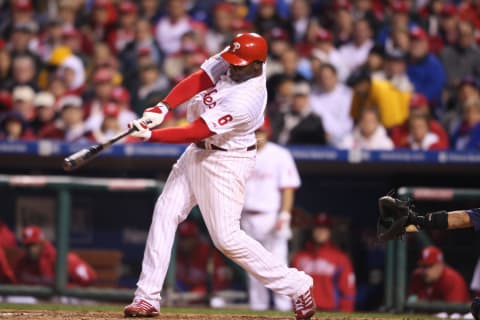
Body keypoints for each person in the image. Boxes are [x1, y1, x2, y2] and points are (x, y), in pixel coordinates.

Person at [123, 33, 315, 320]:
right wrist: (163, 107)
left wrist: (152, 135)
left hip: (226, 161)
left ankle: (297, 285)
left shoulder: (248, 99)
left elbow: (197, 130)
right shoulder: (236, 56)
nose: (233, 67)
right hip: (195, 154)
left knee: (226, 239)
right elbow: (201, 78)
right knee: (165, 212)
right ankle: (147, 298)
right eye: (232, 61)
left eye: (240, 65)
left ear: (258, 65)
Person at [241, 117, 301, 312]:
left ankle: (284, 309)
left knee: (277, 265)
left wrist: (284, 215)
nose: (258, 136)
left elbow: (288, 188)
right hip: (246, 217)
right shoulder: (240, 153)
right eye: (254, 132)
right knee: (252, 267)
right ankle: (257, 308)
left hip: (271, 216)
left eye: (261, 132)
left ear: (268, 132)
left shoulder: (280, 155)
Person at [291, 213, 356, 312]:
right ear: (312, 230)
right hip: (303, 313)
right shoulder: (299, 258)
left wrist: (345, 315)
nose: (321, 232)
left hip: (330, 311)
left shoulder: (340, 258)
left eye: (325, 228)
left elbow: (348, 292)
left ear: (330, 232)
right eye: (318, 228)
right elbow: (291, 288)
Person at [15, 225, 97, 287]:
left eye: (34, 245)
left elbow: (90, 278)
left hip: (64, 299)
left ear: (41, 243)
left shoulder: (58, 258)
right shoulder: (22, 263)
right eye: (28, 246)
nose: (31, 249)